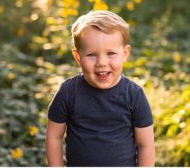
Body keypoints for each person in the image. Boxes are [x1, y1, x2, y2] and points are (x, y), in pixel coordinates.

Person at [45, 10, 155, 166]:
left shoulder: (134, 95)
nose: (101, 62)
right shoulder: (68, 92)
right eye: (91, 55)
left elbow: (146, 145)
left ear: (125, 53)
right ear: (78, 57)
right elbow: (54, 137)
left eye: (110, 53)